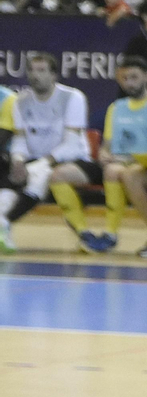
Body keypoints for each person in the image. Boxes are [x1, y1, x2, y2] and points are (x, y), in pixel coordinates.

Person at [0, 53, 102, 253]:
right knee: (10, 175)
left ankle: (5, 221)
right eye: (31, 70)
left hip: (75, 160)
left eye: (41, 70)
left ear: (54, 75)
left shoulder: (73, 97)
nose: (35, 75)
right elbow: (20, 140)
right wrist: (18, 160)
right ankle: (3, 225)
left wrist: (39, 165)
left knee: (44, 175)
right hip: (34, 160)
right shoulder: (20, 101)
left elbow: (72, 144)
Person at [98, 54, 147, 256]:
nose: (129, 83)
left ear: (146, 77)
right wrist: (104, 153)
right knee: (114, 171)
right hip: (120, 165)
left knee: (129, 173)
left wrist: (126, 159)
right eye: (124, 78)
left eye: (134, 77)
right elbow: (106, 145)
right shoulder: (116, 108)